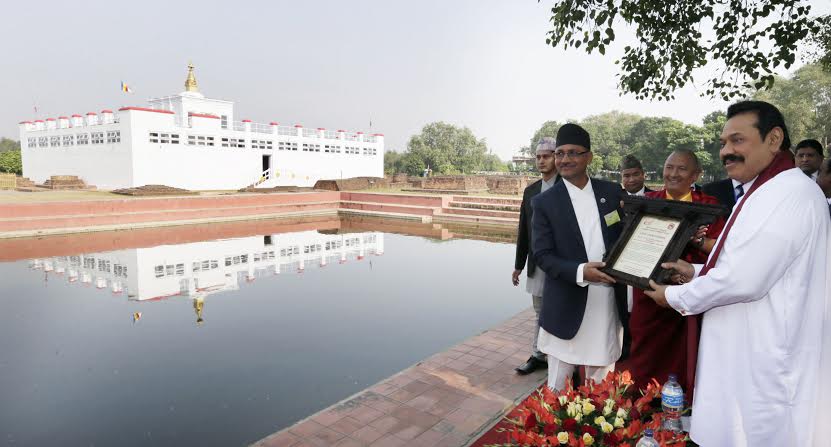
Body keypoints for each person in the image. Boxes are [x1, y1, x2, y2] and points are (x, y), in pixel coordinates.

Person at [643, 101, 830, 446]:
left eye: (738, 141)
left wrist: (673, 296)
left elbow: (745, 279)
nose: (726, 151)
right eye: (723, 143)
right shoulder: (766, 190)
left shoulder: (789, 194)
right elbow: (743, 263)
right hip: (745, 350)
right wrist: (695, 271)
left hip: (767, 360)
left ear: (774, 139)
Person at [531, 123, 628, 390]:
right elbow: (543, 255)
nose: (564, 159)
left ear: (589, 157)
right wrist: (581, 272)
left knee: (602, 382)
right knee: (558, 386)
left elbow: (627, 235)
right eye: (560, 153)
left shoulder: (611, 193)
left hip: (606, 301)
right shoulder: (544, 203)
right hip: (565, 304)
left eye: (573, 153)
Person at [626, 149, 725, 399]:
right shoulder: (649, 202)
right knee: (646, 358)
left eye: (681, 169)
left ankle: (683, 412)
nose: (673, 174)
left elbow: (721, 250)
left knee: (686, 356)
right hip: (650, 294)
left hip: (691, 294)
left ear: (696, 175)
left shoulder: (709, 207)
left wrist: (695, 240)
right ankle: (643, 409)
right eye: (669, 167)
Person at [512, 137, 558, 375]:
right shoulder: (531, 192)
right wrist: (519, 265)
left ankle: (559, 356)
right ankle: (538, 355)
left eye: (547, 156)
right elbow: (524, 230)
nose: (542, 161)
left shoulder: (568, 188)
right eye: (538, 157)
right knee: (540, 311)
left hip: (563, 263)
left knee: (560, 308)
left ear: (556, 157)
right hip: (538, 263)